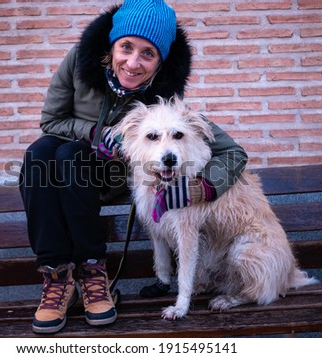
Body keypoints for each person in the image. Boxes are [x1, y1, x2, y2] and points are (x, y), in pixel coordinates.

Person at [19, 0, 248, 334]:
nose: (133, 62)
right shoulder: (78, 62)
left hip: (111, 173)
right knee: (39, 154)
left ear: (160, 61)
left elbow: (233, 152)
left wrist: (204, 185)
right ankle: (56, 276)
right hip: (72, 157)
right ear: (112, 44)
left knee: (69, 155)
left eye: (148, 54)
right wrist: (97, 135)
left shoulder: (164, 98)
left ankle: (93, 272)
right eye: (126, 47)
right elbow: (51, 120)